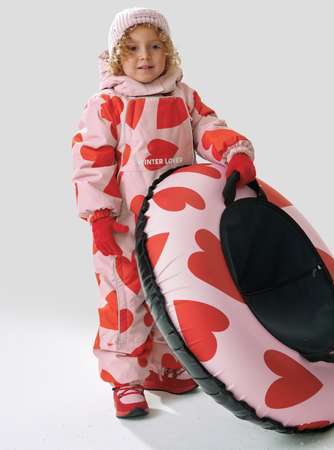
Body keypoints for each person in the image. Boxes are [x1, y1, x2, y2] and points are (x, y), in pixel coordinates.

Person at [71, 7, 257, 419]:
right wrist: (98, 215)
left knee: (171, 291)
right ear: (116, 56)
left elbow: (208, 127)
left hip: (175, 222)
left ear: (168, 50)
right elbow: (91, 160)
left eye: (155, 46)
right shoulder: (106, 105)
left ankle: (163, 366)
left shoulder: (182, 97)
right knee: (125, 299)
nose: (145, 56)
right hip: (121, 226)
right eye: (133, 48)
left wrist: (233, 152)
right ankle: (126, 380)